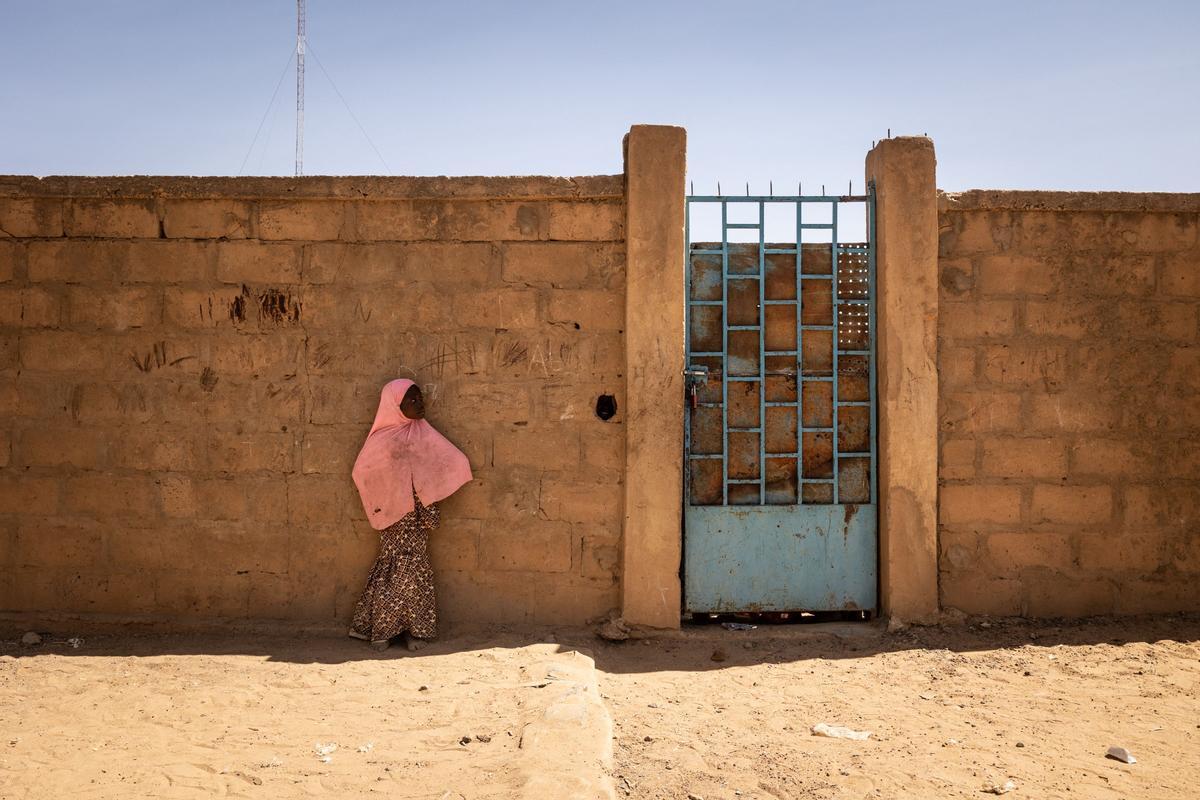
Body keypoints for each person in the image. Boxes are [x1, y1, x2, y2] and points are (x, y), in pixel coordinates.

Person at [348, 379, 472, 652]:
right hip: (394, 517)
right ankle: (383, 631)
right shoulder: (381, 439)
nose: (419, 404)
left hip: (417, 515)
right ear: (396, 405)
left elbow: (449, 460)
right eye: (411, 401)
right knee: (395, 570)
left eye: (419, 399)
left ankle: (409, 631)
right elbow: (362, 471)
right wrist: (387, 498)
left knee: (413, 572)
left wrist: (423, 493)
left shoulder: (421, 432)